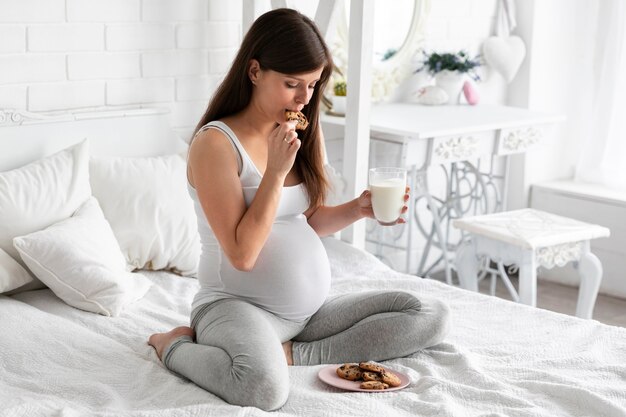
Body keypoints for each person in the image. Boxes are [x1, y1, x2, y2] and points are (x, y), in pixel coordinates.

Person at [148, 8, 449, 411]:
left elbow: (306, 219)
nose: (304, 99)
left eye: (312, 84)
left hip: (308, 315)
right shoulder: (215, 145)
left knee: (430, 312)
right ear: (254, 71)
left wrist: (359, 209)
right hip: (234, 307)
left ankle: (290, 353)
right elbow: (242, 254)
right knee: (263, 389)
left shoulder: (298, 132)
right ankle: (172, 344)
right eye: (292, 84)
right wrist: (274, 172)